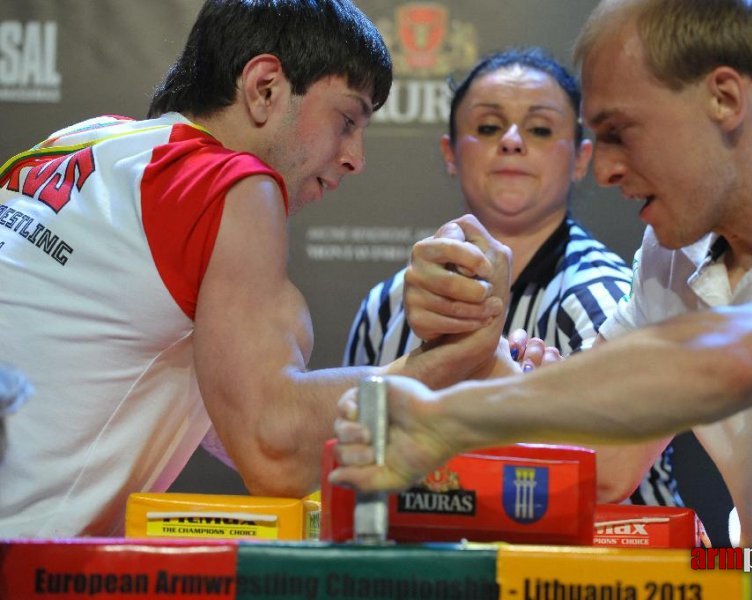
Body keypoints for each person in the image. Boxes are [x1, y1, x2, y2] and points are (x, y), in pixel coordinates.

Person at [330, 1, 752, 598]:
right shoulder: (676, 251)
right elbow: (603, 465)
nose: (600, 170)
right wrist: (477, 343)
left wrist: (445, 420)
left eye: (619, 132)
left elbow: (725, 362)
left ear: (725, 99)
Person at [0, 0, 516, 537]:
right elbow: (274, 448)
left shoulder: (82, 141)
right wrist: (449, 362)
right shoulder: (226, 181)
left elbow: (241, 428)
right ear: (265, 87)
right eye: (346, 120)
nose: (356, 157)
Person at [344, 47, 682, 507]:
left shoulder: (601, 296)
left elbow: (606, 475)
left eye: (540, 129)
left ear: (582, 160)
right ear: (450, 152)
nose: (512, 140)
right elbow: (348, 467)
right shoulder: (385, 306)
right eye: (487, 127)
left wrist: (495, 370)